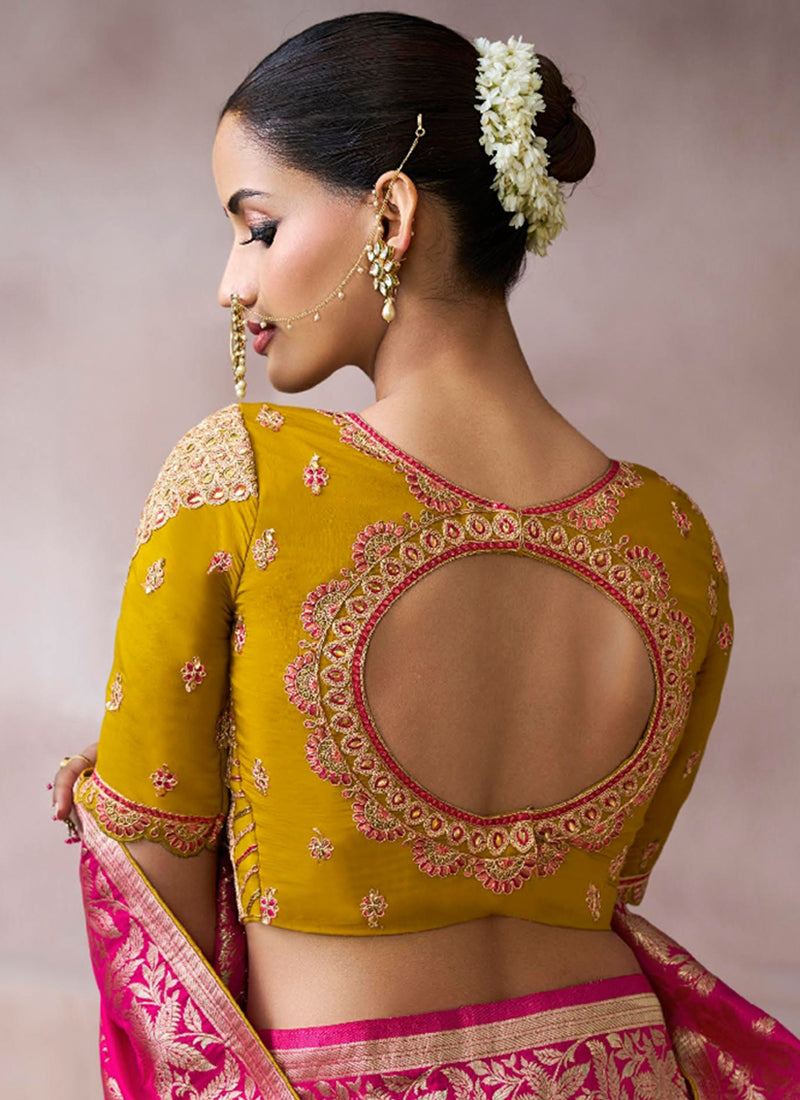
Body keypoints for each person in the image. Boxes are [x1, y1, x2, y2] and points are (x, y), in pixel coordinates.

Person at [50, 12, 800, 1100]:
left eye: (257, 227)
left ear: (392, 214)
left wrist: (137, 793)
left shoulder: (241, 476)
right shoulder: (673, 538)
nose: (231, 283)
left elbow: (159, 930)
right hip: (619, 1068)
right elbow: (610, 882)